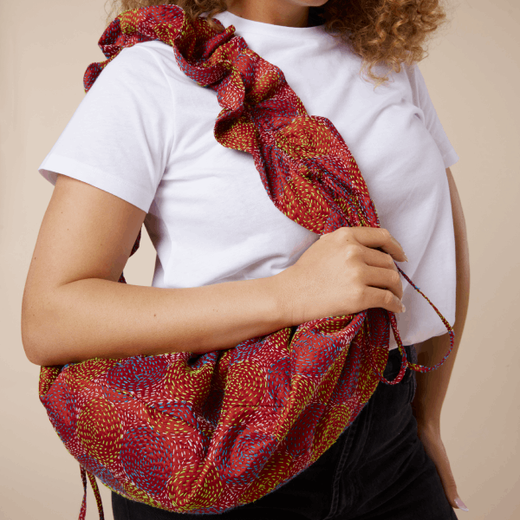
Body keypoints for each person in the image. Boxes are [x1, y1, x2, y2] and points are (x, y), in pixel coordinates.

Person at [22, 0, 470, 519]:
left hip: (388, 449)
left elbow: (442, 241)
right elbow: (50, 317)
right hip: (222, 449)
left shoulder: (385, 62)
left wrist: (426, 418)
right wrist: (286, 295)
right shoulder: (155, 73)